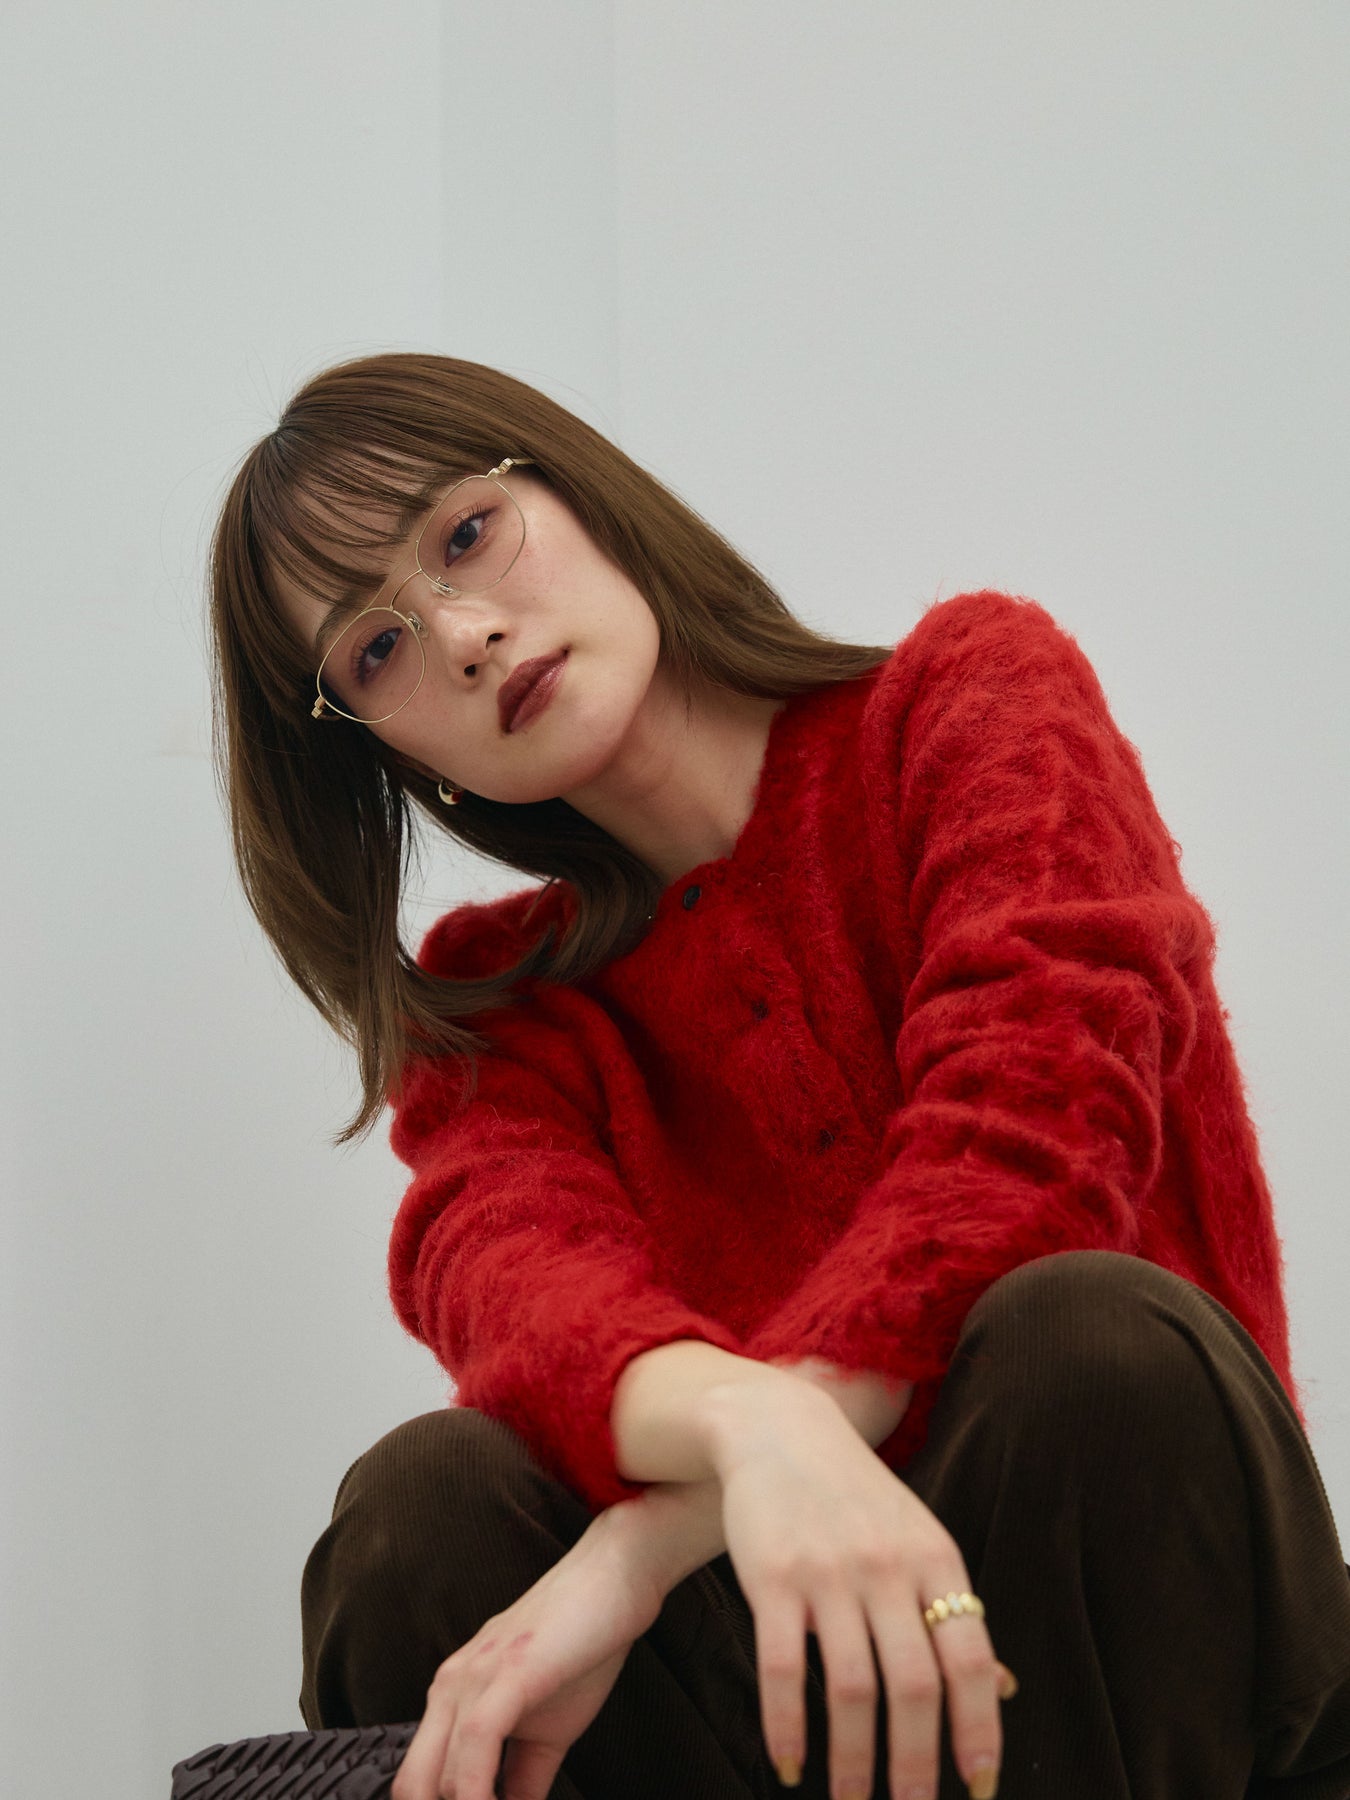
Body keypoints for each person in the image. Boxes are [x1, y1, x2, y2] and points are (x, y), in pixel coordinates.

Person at [205, 351, 1350, 1800]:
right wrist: (759, 1433)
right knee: (418, 1505)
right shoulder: (500, 1015)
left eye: (466, 534)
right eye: (377, 652)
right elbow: (517, 1298)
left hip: (1147, 1655)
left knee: (1080, 1332)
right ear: (380, 749)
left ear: (573, 486)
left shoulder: (970, 702)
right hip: (771, 1731)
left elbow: (1029, 1146)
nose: (466, 636)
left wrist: (644, 1544)